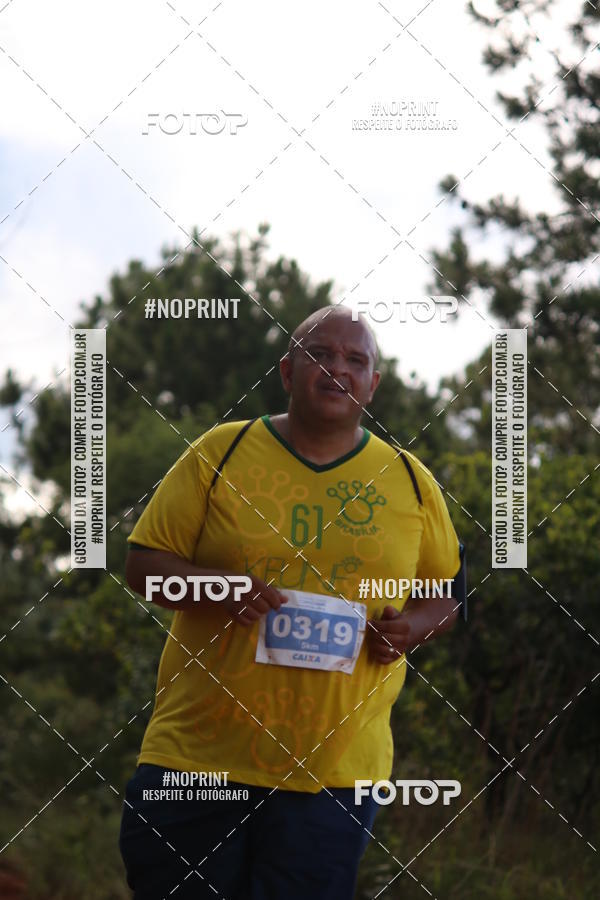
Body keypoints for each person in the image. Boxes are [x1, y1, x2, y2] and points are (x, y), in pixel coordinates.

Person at [119, 305, 466, 899]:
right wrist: (219, 589)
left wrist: (411, 628)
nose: (337, 369)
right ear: (287, 371)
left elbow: (446, 596)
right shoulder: (220, 452)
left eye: (355, 360)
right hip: (197, 760)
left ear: (373, 385)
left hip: (335, 777)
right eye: (319, 354)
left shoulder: (410, 481)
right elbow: (144, 568)